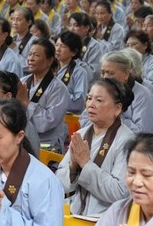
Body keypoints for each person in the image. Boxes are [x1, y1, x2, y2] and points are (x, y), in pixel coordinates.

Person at [57, 78, 136, 216]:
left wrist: (86, 164)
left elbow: (120, 192)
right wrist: (73, 168)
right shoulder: (81, 134)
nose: (90, 105)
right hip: (76, 210)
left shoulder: (126, 140)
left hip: (105, 218)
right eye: (89, 98)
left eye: (99, 100)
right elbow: (60, 184)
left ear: (117, 109)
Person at [81, 51, 153, 134]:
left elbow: (143, 133)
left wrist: (113, 118)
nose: (105, 77)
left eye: (111, 73)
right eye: (102, 73)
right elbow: (84, 120)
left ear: (126, 74)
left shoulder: (143, 96)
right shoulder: (99, 91)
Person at [18, 38, 69, 152]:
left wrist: (27, 103)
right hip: (21, 139)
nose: (30, 59)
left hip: (47, 145)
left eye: (36, 55)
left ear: (50, 60)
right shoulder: (22, 82)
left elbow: (47, 122)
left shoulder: (59, 89)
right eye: (30, 54)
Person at [125, 30, 153, 96]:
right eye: (127, 45)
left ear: (145, 45)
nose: (130, 48)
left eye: (134, 44)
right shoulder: (126, 63)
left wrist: (135, 78)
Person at [68, 12, 106, 80]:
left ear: (87, 28)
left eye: (75, 25)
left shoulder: (94, 46)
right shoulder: (66, 44)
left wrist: (74, 59)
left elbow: (94, 74)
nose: (71, 29)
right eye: (70, 25)